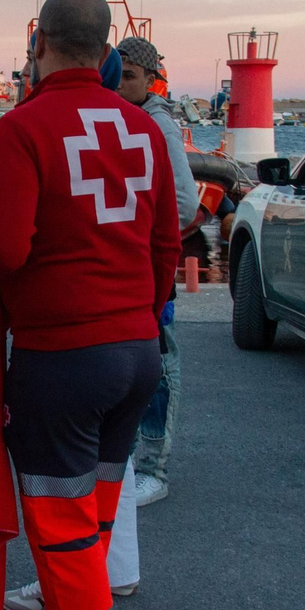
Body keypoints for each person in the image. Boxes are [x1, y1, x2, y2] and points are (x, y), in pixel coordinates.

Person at [0, 0, 178, 610]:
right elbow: (167, 241)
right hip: (137, 348)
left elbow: (6, 248)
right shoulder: (142, 129)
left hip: (64, 356)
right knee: (95, 516)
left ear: (37, 43)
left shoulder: (21, 128)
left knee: (60, 522)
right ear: (107, 51)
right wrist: (140, 311)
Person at [116, 35, 196, 506]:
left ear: (150, 79)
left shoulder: (157, 126)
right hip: (132, 264)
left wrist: (140, 232)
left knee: (160, 363)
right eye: (117, 73)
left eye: (130, 76)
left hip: (151, 264)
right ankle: (130, 460)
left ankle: (155, 468)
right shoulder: (123, 120)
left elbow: (183, 204)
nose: (121, 84)